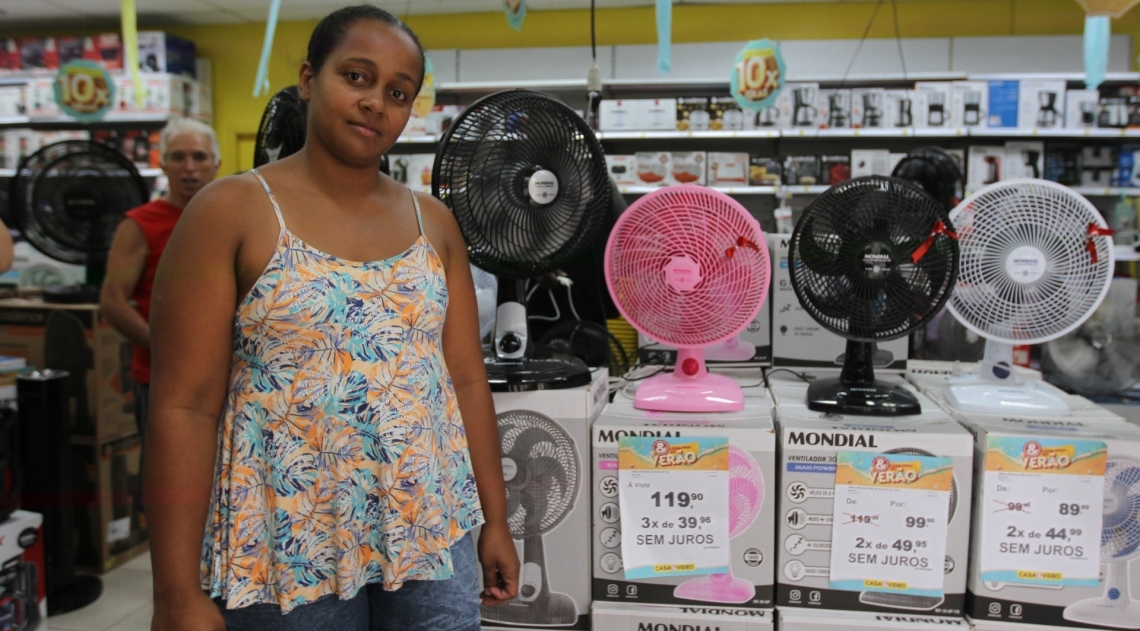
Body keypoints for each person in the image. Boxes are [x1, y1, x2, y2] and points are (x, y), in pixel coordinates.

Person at [146, 6, 519, 631]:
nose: (376, 102)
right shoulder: (229, 211)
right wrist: (175, 592)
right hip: (286, 537)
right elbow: (183, 407)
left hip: (429, 528)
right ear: (308, 78)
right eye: (357, 77)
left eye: (398, 93)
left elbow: (465, 381)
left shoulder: (436, 224)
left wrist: (497, 521)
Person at [100, 118, 220, 450]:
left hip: (225, 381)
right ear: (163, 164)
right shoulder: (140, 224)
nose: (190, 168)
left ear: (217, 164)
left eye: (199, 157)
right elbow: (112, 301)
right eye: (178, 157)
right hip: (162, 382)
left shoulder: (229, 220)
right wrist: (163, 345)